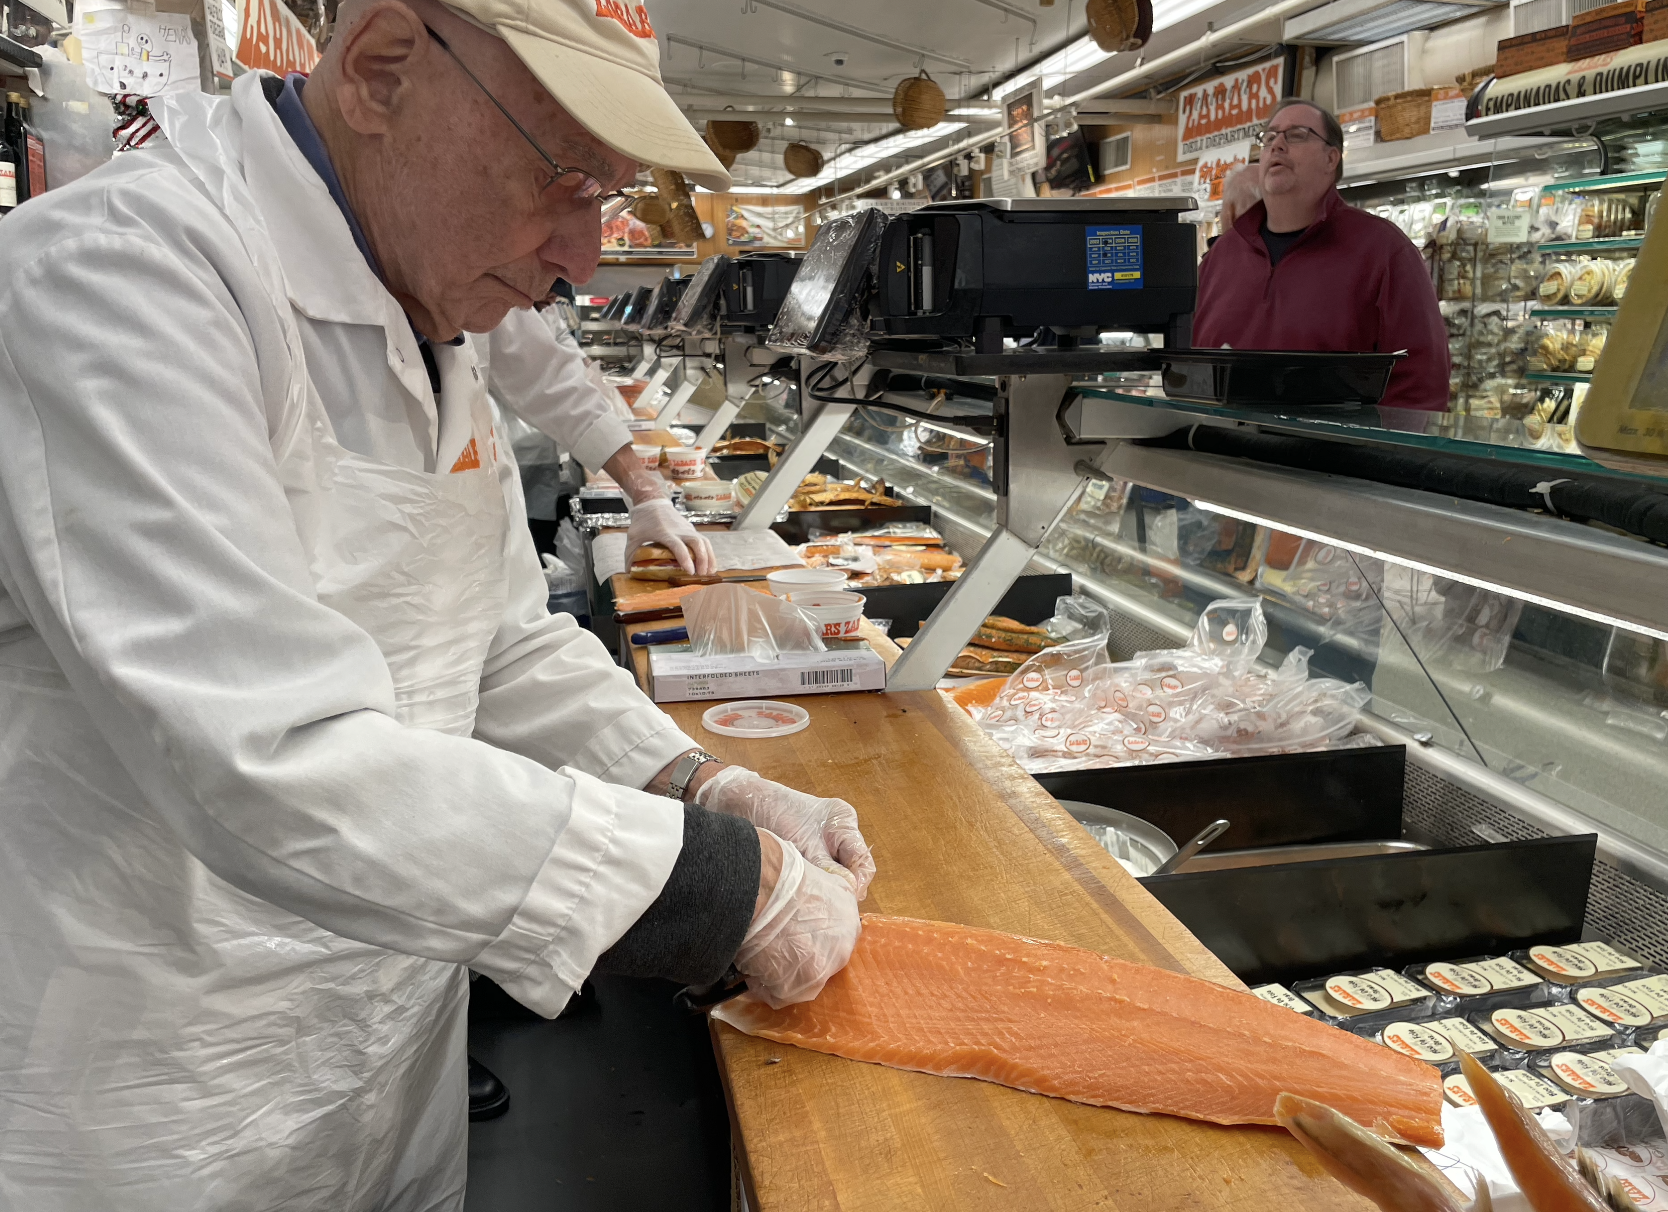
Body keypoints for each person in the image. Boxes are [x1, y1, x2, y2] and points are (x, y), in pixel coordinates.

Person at [0, 0, 873, 1208]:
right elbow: (262, 760)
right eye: (564, 179)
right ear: (382, 67)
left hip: (384, 1069)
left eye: (604, 197)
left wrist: (697, 782)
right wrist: (716, 885)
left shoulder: (422, 302)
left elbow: (500, 643)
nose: (581, 258)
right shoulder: (119, 277)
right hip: (159, 1106)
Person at [1192, 98, 1449, 412]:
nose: (1278, 145)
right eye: (1269, 137)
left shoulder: (1384, 251)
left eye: (1297, 135)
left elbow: (1421, 383)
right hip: (1219, 452)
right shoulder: (1222, 256)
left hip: (1334, 456)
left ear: (1331, 159)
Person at [472, 305, 716, 574]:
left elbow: (553, 384)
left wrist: (649, 497)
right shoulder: (491, 292)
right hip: (500, 458)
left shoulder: (514, 309)